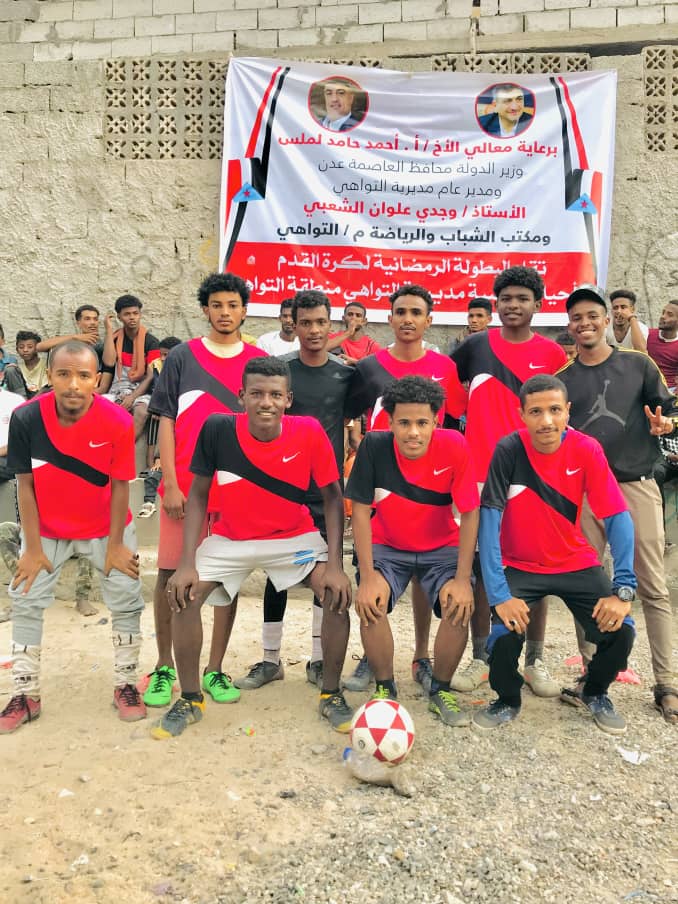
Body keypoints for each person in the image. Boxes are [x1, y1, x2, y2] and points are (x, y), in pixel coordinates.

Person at [152, 356, 352, 739]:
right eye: (257, 394)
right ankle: (190, 699)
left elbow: (332, 497)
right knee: (184, 595)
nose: (266, 403)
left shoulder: (309, 431)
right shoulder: (218, 428)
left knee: (336, 594)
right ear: (241, 396)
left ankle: (331, 693)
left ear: (288, 399)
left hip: (291, 537)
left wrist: (336, 565)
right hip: (232, 539)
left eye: (275, 395)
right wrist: (187, 562)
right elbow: (198, 495)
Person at [475, 374, 636, 734]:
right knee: (503, 635)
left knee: (622, 631)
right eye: (536, 412)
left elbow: (617, 516)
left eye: (554, 410)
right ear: (522, 415)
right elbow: (489, 520)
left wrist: (623, 590)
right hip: (520, 564)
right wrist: (499, 595)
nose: (546, 420)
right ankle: (507, 698)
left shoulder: (587, 449)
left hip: (574, 561)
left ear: (567, 412)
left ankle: (593, 691)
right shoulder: (509, 449)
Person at [0, 340, 146, 734]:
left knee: (126, 600)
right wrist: (31, 548)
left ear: (97, 380)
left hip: (107, 528)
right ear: (50, 376)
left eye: (83, 375)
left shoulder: (117, 420)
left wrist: (116, 545)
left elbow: (121, 485)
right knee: (25, 599)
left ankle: (126, 683)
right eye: (63, 374)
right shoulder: (27, 417)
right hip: (47, 530)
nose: (73, 384)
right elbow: (24, 484)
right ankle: (25, 693)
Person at [143, 273, 266, 710]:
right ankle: (163, 666)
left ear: (244, 310)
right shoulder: (182, 356)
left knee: (226, 579)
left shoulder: (258, 360)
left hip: (235, 490)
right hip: (184, 488)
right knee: (169, 575)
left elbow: (265, 427)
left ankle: (214, 668)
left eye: (233, 305)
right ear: (205, 310)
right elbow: (167, 419)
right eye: (217, 305)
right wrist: (170, 482)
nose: (225, 312)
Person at [559, 284, 678, 724]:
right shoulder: (563, 379)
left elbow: (667, 412)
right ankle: (592, 677)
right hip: (585, 493)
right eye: (577, 318)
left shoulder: (639, 364)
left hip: (636, 484)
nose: (585, 323)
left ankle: (666, 684)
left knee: (653, 586)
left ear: (608, 320)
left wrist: (666, 425)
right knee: (587, 583)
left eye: (593, 315)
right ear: (570, 326)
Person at [343, 284, 467, 693]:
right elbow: (349, 412)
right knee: (377, 583)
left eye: (416, 312)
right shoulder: (369, 368)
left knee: (430, 580)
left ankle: (422, 656)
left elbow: (453, 420)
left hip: (430, 487)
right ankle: (374, 661)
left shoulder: (444, 368)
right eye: (401, 312)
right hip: (384, 483)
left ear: (429, 320)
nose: (408, 319)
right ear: (390, 318)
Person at [450, 266, 567, 696]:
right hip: (481, 476)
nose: (513, 305)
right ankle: (482, 657)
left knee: (535, 567)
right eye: (506, 298)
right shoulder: (474, 347)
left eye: (522, 298)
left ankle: (534, 660)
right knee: (485, 568)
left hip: (535, 478)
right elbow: (450, 402)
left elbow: (559, 418)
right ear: (495, 303)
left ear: (538, 305)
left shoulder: (553, 355)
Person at [347, 376, 480, 726]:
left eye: (422, 422)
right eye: (404, 423)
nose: (413, 432)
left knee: (458, 604)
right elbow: (359, 511)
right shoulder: (374, 446)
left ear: (436, 420)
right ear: (390, 422)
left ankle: (441, 690)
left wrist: (463, 579)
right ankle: (385, 688)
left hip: (441, 546)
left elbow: (470, 513)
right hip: (388, 545)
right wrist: (367, 576)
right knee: (371, 602)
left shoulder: (455, 445)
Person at [243, 290, 354, 690]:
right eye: (305, 322)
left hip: (326, 493)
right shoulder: (282, 372)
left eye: (320, 322)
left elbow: (353, 419)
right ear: (293, 324)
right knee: (277, 576)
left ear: (331, 324)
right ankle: (270, 660)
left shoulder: (345, 375)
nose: (313, 330)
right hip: (280, 490)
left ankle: (319, 661)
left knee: (325, 575)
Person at [105, 295, 160, 442]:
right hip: (117, 389)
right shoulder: (115, 339)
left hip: (141, 391)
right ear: (119, 317)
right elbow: (109, 362)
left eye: (135, 313)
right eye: (127, 314)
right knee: (99, 407)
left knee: (141, 412)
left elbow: (150, 377)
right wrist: (109, 331)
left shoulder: (151, 342)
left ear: (140, 314)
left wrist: (132, 397)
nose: (132, 317)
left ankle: (124, 448)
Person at [36, 304, 116, 393]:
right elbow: (39, 347)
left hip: (84, 392)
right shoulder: (71, 343)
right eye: (87, 319)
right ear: (78, 323)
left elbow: (109, 367)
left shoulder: (102, 346)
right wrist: (74, 337)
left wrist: (109, 330)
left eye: (95, 319)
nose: (93, 322)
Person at [646, 299, 678, 392]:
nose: (663, 316)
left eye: (669, 314)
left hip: (669, 390)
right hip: (645, 387)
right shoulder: (647, 334)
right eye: (663, 312)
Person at [15, 331, 49, 398]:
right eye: (21, 347)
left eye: (30, 347)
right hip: (22, 399)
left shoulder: (46, 364)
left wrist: (31, 402)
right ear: (17, 350)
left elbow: (46, 388)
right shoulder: (17, 368)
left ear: (37, 349)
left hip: (40, 399)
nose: (25, 350)